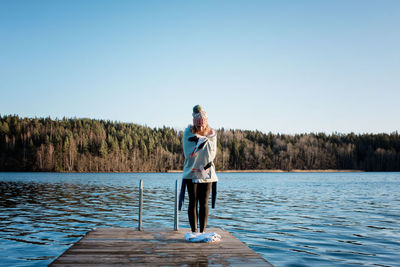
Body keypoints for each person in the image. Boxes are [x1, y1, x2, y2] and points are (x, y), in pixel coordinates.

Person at [179, 105, 218, 234]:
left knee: (204, 202)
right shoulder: (188, 133)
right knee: (193, 202)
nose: (200, 128)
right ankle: (194, 231)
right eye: (198, 125)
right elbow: (188, 152)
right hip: (192, 172)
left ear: (206, 124)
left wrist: (204, 141)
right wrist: (199, 142)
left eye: (202, 125)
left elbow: (211, 154)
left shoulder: (212, 134)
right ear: (194, 124)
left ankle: (202, 231)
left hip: (206, 173)